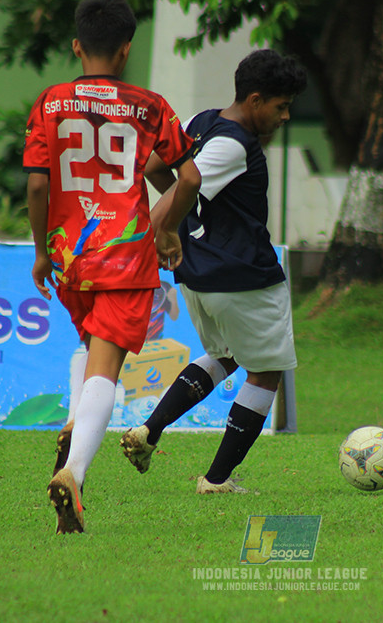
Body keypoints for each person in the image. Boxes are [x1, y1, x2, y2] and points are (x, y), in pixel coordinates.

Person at [23, 0, 201, 533]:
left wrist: (39, 251)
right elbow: (188, 177)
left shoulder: (50, 103)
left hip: (68, 257)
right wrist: (166, 228)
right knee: (108, 366)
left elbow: (36, 183)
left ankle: (79, 417)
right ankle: (74, 473)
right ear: (126, 50)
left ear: (77, 46)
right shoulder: (149, 107)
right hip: (123, 256)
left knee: (91, 350)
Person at [120, 49, 307, 493]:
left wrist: (191, 211)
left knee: (227, 355)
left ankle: (149, 430)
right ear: (256, 99)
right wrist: (162, 229)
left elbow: (153, 165)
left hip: (200, 274)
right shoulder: (233, 144)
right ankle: (217, 480)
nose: (284, 117)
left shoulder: (202, 122)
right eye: (280, 107)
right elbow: (177, 189)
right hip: (242, 274)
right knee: (266, 372)